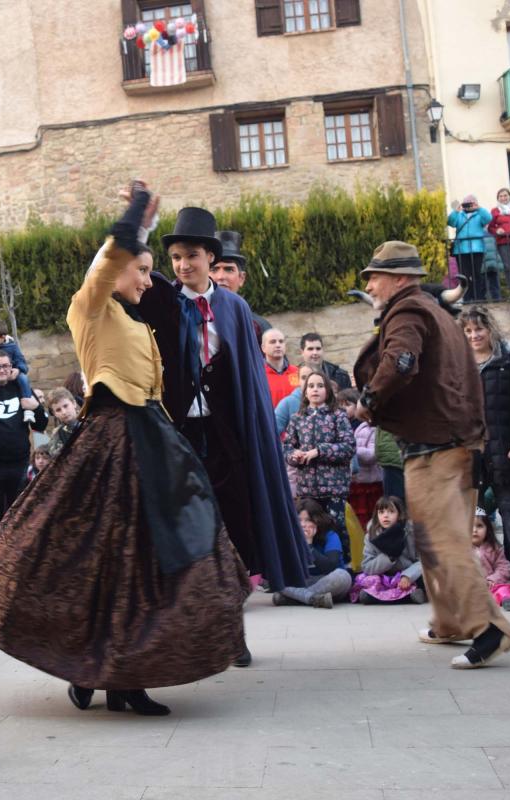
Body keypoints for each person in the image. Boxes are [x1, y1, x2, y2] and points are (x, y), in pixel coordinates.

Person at [0, 184, 249, 716]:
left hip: (150, 440)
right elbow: (112, 254)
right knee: (101, 560)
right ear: (115, 269)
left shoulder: (135, 320)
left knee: (142, 561)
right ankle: (96, 671)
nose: (149, 278)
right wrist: (139, 215)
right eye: (141, 269)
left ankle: (114, 674)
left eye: (149, 270)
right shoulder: (90, 307)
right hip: (111, 441)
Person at [138, 206, 310, 666]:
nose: (181, 265)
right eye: (174, 256)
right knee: (181, 536)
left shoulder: (234, 308)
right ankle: (183, 633)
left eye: (190, 255)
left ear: (210, 257)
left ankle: (232, 633)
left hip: (227, 436)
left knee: (233, 533)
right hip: (177, 436)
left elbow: (248, 381)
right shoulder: (158, 299)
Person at [353, 239, 510, 668]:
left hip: (436, 451)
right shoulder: (440, 315)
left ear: (400, 279)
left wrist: (368, 401)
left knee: (443, 543)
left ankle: (491, 630)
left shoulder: (408, 311)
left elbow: (401, 361)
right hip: (454, 444)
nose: (370, 285)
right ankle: (448, 621)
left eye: (375, 276)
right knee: (431, 541)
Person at [459, 305, 510, 585]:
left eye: (479, 329)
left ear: (490, 330)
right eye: (468, 331)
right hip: (472, 455)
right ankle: (474, 579)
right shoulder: (459, 366)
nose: (474, 335)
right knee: (470, 519)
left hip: (507, 453)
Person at [0, 349, 48, 562]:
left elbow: (40, 425)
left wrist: (37, 407)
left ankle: (20, 560)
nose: (2, 370)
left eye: (5, 365)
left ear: (11, 366)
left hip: (19, 464)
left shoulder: (22, 388)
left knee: (22, 514)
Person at [283, 370, 355, 560]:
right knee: (308, 528)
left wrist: (319, 451)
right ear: (305, 391)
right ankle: (313, 568)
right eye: (311, 386)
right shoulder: (297, 418)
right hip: (307, 488)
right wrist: (294, 455)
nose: (315, 389)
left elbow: (348, 447)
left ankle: (344, 568)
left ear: (328, 391)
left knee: (337, 526)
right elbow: (287, 447)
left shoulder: (338, 416)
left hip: (333, 488)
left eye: (320, 386)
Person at [272, 498, 352, 608]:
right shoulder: (290, 537)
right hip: (304, 581)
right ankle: (314, 599)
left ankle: (297, 598)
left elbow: (330, 567)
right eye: (299, 520)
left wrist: (308, 545)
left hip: (327, 581)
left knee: (343, 576)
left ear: (317, 520)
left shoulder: (330, 536)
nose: (303, 524)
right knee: (277, 578)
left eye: (308, 520)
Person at [350, 496, 424, 604]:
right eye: (381, 512)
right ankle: (405, 597)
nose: (385, 515)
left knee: (426, 577)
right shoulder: (371, 535)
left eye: (391, 512)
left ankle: (412, 594)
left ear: (399, 514)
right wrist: (389, 557)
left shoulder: (410, 533)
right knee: (369, 581)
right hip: (383, 576)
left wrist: (408, 576)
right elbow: (366, 567)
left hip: (407, 575)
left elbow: (424, 561)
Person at [209, 230, 271, 345]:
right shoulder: (193, 320)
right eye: (214, 269)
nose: (221, 277)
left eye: (229, 269)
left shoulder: (258, 327)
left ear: (241, 278)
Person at [340, 388, 383, 531]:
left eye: (347, 405)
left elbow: (371, 455)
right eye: (340, 406)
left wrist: (349, 448)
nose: (343, 409)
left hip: (369, 484)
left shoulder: (370, 428)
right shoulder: (343, 426)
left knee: (368, 517)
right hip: (354, 482)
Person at [471, 509, 510, 609]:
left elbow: (504, 568)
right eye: (470, 526)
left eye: (479, 526)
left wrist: (492, 580)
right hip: (470, 587)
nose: (474, 530)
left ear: (487, 529)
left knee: (504, 590)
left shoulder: (494, 547)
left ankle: (508, 601)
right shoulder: (460, 549)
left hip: (491, 586)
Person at [448, 196, 492, 303]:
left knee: (477, 274)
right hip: (461, 250)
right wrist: (455, 211)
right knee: (464, 275)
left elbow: (488, 218)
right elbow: (450, 222)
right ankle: (467, 298)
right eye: (466, 204)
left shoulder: (479, 214)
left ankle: (479, 298)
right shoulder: (459, 215)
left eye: (470, 204)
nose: (468, 206)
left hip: (477, 249)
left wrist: (479, 208)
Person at [261, 328, 299, 407]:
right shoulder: (258, 374)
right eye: (273, 342)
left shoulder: (297, 372)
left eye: (281, 341)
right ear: (263, 348)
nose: (278, 345)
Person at [275, 363, 312, 436]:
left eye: (311, 376)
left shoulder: (328, 401)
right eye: (304, 378)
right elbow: (271, 432)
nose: (307, 381)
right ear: (298, 380)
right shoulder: (287, 403)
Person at [46, 387, 80, 457]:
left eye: (66, 406)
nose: (64, 412)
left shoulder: (90, 423)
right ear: (54, 414)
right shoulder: (58, 435)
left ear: (74, 403)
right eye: (58, 410)